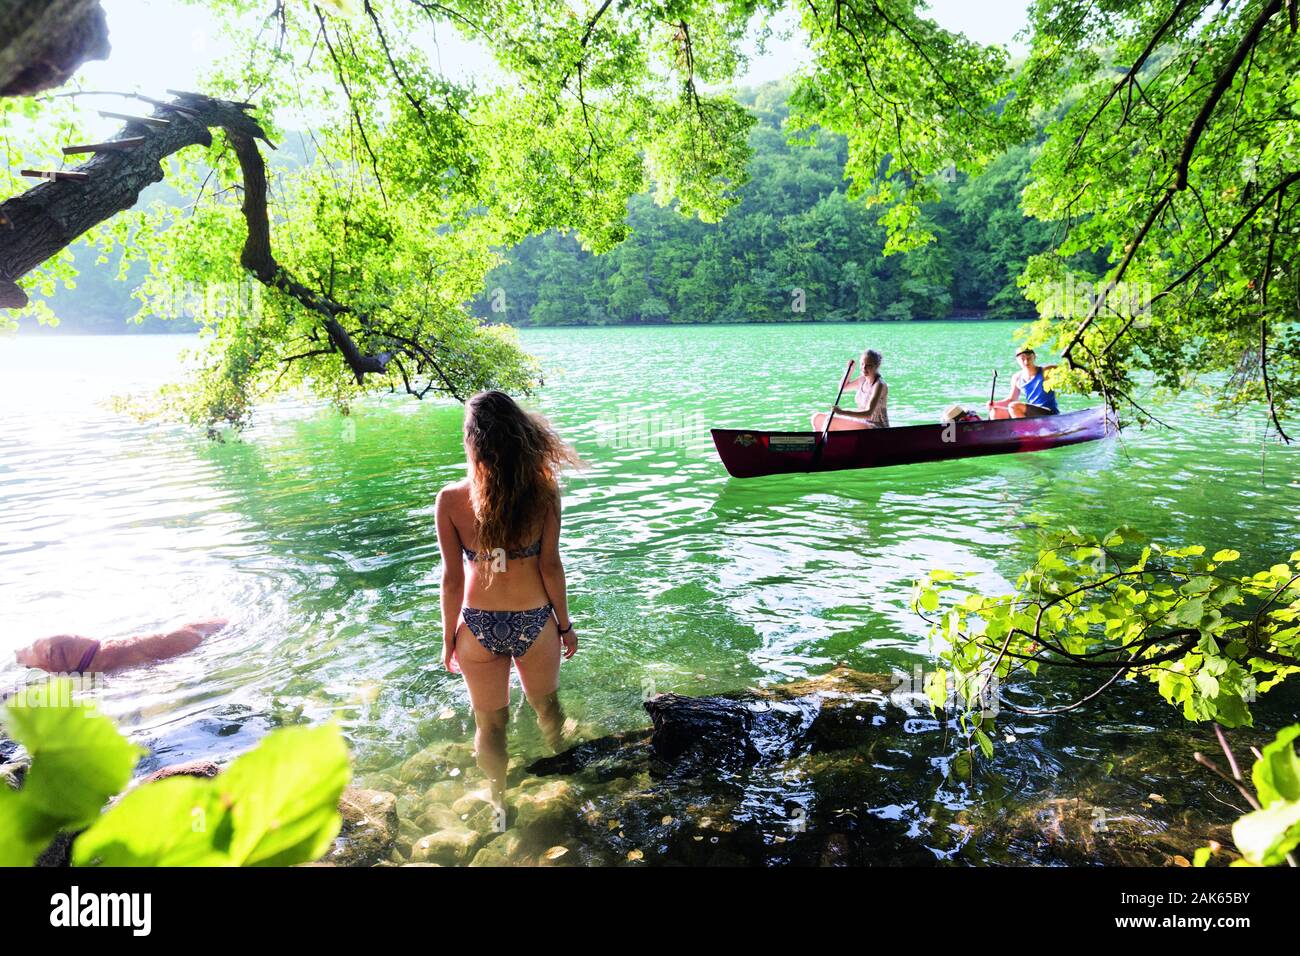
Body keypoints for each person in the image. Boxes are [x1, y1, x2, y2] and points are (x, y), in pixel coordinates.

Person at [435, 390, 580, 817]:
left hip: (477, 626)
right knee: (548, 708)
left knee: (490, 725)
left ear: (473, 441)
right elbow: (551, 565)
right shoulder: (544, 492)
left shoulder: (450, 499)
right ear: (520, 435)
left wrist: (448, 639)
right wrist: (566, 626)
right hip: (535, 622)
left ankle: (496, 800)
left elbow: (451, 579)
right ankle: (566, 784)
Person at [15, 619, 228, 674]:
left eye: (32, 648)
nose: (22, 652)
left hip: (213, 635)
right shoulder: (97, 656)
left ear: (56, 659)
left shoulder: (109, 663)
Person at [810, 348, 890, 431]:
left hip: (876, 427)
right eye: (862, 364)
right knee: (816, 418)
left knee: (829, 421)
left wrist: (842, 412)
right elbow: (842, 388)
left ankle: (828, 443)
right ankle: (816, 442)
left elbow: (868, 413)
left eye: (868, 365)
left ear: (877, 366)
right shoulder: (862, 379)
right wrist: (850, 370)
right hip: (862, 421)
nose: (864, 368)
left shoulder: (879, 385)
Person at [989, 347, 1059, 419]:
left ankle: (1025, 429)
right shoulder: (1017, 378)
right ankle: (1007, 430)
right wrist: (995, 404)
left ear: (1034, 357)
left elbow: (1067, 370)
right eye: (1022, 359)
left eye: (1029, 358)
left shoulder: (1046, 371)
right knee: (996, 411)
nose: (1026, 362)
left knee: (1013, 406)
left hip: (1049, 412)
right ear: (1017, 360)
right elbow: (1011, 399)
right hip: (1033, 413)